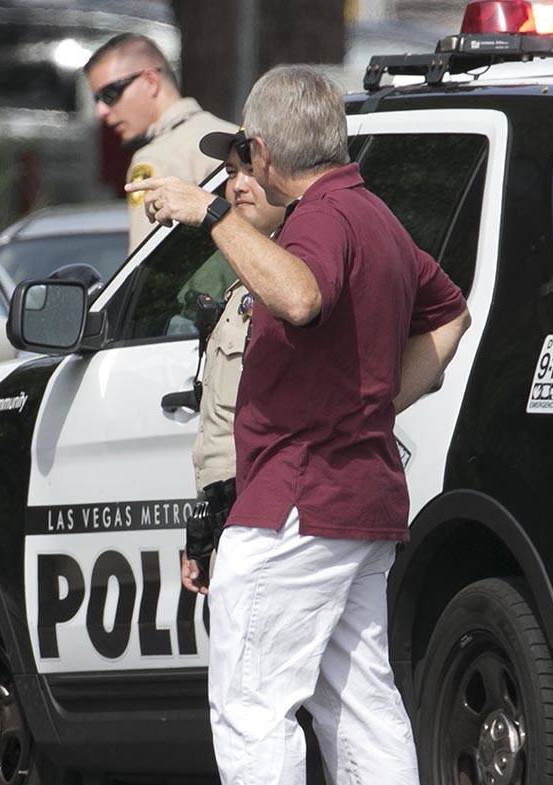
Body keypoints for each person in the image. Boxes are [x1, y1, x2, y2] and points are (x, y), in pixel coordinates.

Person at [129, 65, 471, 785]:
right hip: (358, 496)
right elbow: (450, 313)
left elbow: (300, 295)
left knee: (252, 706)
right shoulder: (372, 214)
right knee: (360, 702)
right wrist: (374, 400)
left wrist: (210, 213)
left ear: (261, 149)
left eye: (243, 155)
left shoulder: (320, 217)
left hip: (298, 500)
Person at [182, 129, 285, 596]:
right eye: (230, 173)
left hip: (269, 526)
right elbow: (221, 420)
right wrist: (202, 527)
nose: (238, 186)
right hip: (232, 518)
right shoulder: (240, 277)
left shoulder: (290, 275)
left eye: (250, 171)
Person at [83, 33, 235, 251]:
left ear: (151, 81)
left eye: (109, 94)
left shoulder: (155, 159)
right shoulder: (233, 134)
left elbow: (147, 269)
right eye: (96, 100)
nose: (101, 111)